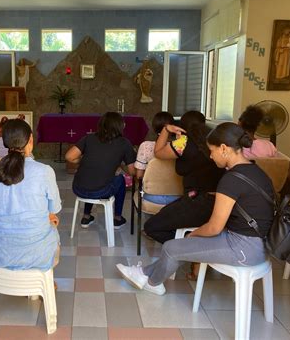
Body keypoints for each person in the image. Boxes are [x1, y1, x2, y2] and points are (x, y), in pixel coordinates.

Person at [116, 122, 274, 295]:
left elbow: (214, 227)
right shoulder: (256, 170)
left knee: (171, 247)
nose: (211, 157)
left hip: (243, 249)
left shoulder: (231, 180)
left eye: (212, 151)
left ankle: (153, 284)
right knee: (179, 246)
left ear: (223, 148)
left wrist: (193, 235)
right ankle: (143, 273)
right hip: (257, 243)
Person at [0, 119, 61, 272]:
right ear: (30, 139)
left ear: (4, 142)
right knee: (53, 222)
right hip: (38, 256)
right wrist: (48, 216)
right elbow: (54, 208)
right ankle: (44, 280)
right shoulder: (44, 171)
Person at [143, 110, 224, 244]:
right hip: (220, 201)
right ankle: (192, 244)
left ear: (183, 126)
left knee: (151, 227)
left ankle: (191, 248)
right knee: (166, 212)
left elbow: (157, 152)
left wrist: (166, 130)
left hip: (197, 201)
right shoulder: (217, 141)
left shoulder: (184, 142)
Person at [65, 112, 136, 229]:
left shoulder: (88, 138)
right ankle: (118, 218)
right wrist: (119, 167)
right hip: (100, 191)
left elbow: (69, 157)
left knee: (93, 176)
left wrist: (84, 161)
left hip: (78, 188)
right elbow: (132, 172)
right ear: (119, 125)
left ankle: (86, 217)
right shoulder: (124, 143)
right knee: (120, 180)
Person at [135, 111, 180, 205]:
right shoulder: (181, 148)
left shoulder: (145, 146)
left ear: (154, 128)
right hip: (178, 197)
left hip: (151, 196)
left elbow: (139, 176)